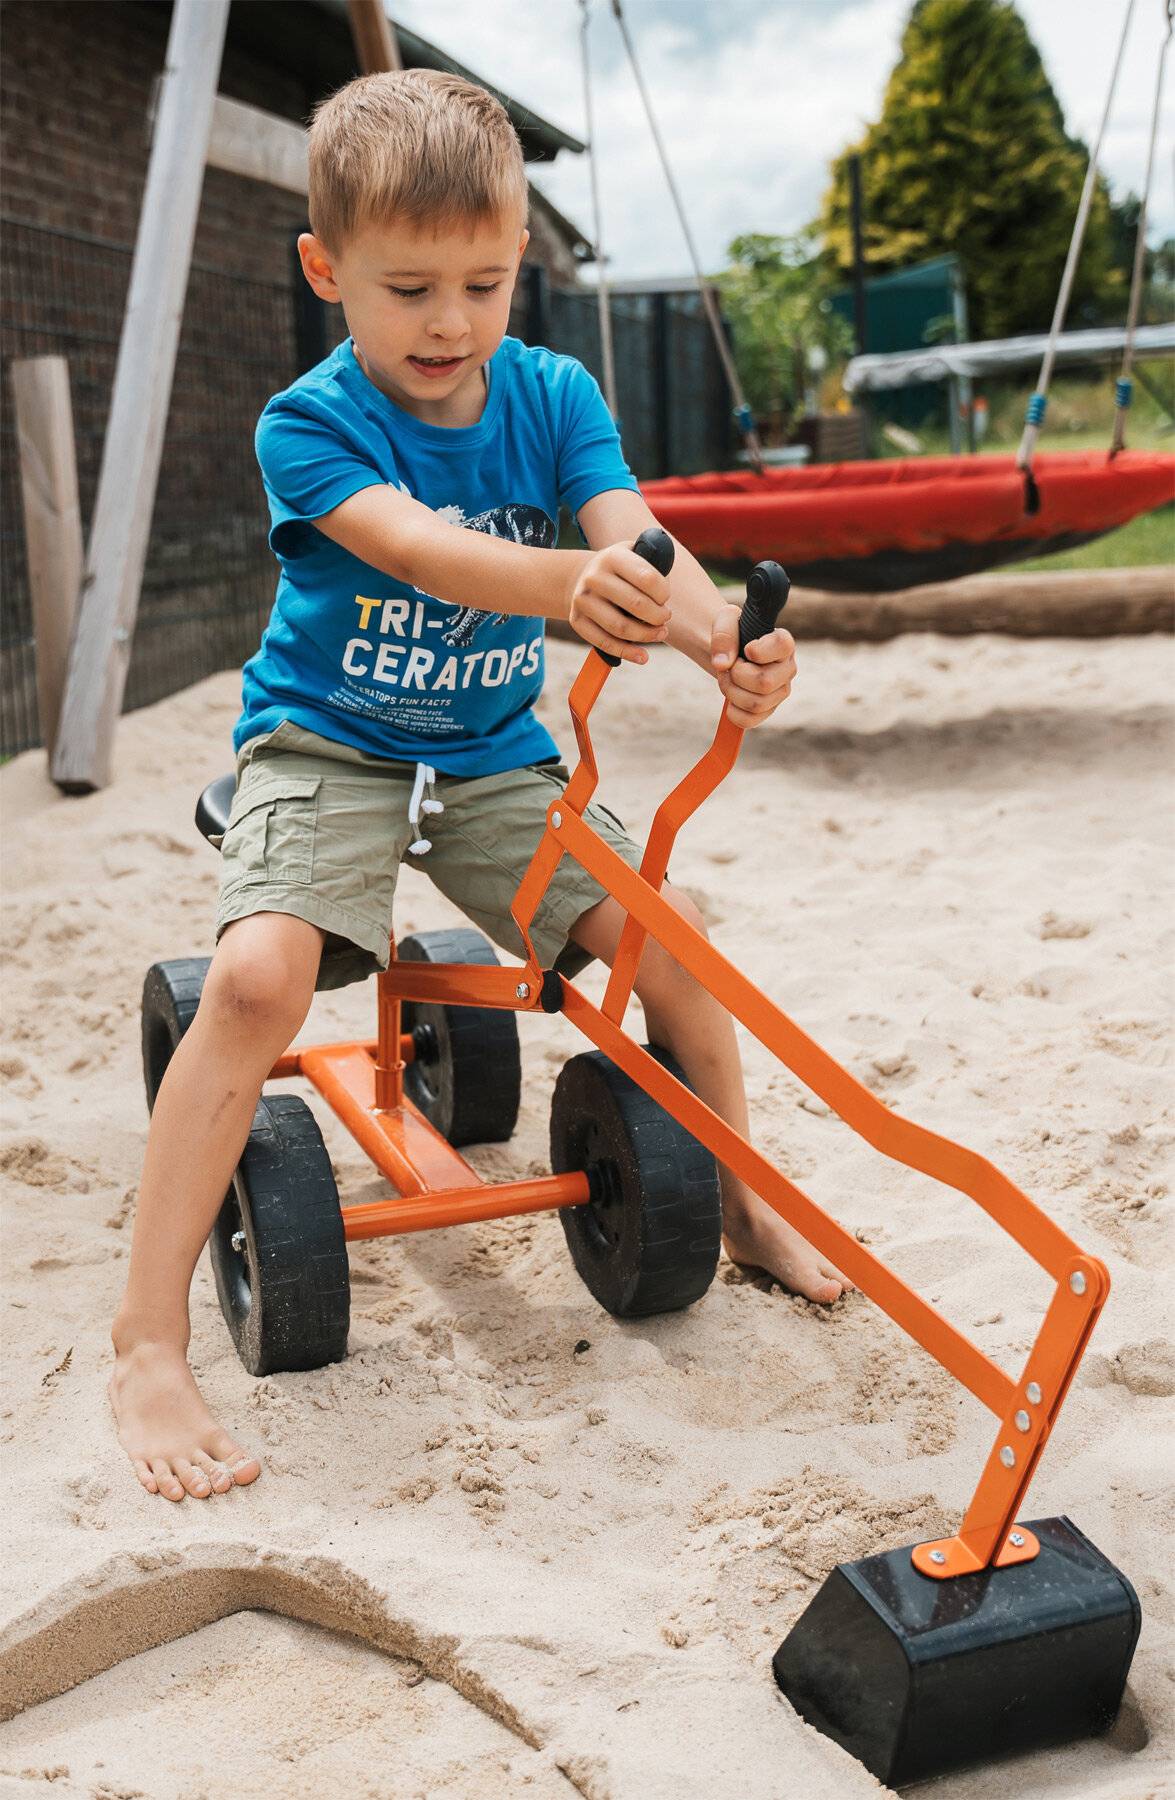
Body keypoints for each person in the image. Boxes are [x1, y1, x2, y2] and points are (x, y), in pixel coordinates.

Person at [108, 70, 849, 1504]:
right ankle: (147, 1341)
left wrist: (723, 642)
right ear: (327, 270)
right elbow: (418, 549)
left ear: (520, 263)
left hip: (494, 752)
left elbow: (636, 538)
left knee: (675, 937)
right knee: (254, 983)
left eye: (485, 283)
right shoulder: (305, 423)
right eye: (409, 288)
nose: (450, 322)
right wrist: (569, 587)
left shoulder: (555, 395)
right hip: (326, 743)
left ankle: (744, 1200)